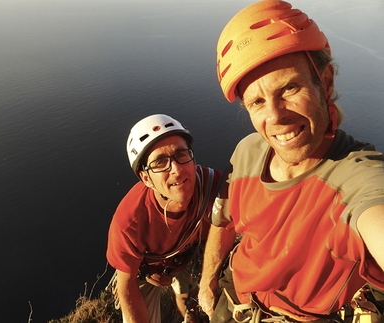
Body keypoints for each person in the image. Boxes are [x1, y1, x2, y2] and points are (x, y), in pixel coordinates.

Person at [198, 1, 384, 323]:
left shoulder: (356, 178)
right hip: (234, 302)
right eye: (256, 102)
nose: (274, 118)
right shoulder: (247, 153)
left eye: (289, 88)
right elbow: (223, 219)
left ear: (325, 82)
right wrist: (206, 280)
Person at [106, 114, 222, 323]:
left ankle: (189, 315)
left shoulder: (215, 189)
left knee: (187, 296)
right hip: (146, 272)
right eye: (160, 162)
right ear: (146, 178)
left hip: (187, 256)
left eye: (181, 154)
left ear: (193, 159)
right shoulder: (130, 221)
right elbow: (126, 284)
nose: (176, 169)